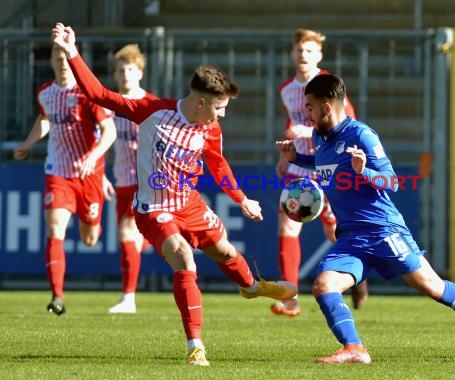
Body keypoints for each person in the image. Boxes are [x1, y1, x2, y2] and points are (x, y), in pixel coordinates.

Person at [52, 23, 297, 366]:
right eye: (219, 107)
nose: (222, 113)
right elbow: (100, 95)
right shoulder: (153, 111)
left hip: (191, 204)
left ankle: (251, 287)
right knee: (183, 257)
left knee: (225, 252)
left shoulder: (210, 128)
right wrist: (72, 52)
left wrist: (241, 199)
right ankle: (195, 345)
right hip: (153, 209)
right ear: (200, 101)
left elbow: (218, 164)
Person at [276, 73, 455, 364]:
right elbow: (325, 165)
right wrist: (297, 159)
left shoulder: (362, 135)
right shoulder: (320, 137)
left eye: (309, 106)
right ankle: (355, 348)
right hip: (352, 238)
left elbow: (392, 182)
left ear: (327, 108)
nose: (306, 112)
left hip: (384, 231)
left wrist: (364, 172)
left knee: (434, 287)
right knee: (324, 285)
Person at [13, 44, 117, 316]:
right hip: (57, 171)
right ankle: (57, 296)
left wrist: (94, 159)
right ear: (50, 60)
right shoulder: (45, 92)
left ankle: (91, 221)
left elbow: (109, 131)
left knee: (90, 238)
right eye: (57, 59)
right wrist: (29, 141)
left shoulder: (87, 92)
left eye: (65, 59)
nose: (62, 63)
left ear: (73, 61)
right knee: (55, 226)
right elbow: (45, 119)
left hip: (89, 174)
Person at [272, 28, 368, 317]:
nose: (304, 55)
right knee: (288, 224)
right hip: (298, 166)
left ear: (319, 56)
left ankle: (357, 278)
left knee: (334, 229)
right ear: (292, 53)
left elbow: (348, 121)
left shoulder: (328, 86)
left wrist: (306, 130)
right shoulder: (287, 89)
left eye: (310, 51)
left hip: (328, 166)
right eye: (300, 50)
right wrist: (284, 156)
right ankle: (290, 297)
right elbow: (293, 121)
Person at [106, 44, 152, 314]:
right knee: (131, 238)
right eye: (121, 70)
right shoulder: (109, 105)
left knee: (126, 232)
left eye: (131, 69)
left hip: (146, 182)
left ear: (140, 73)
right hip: (122, 180)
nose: (126, 74)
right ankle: (128, 297)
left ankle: (128, 298)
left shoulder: (149, 104)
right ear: (115, 74)